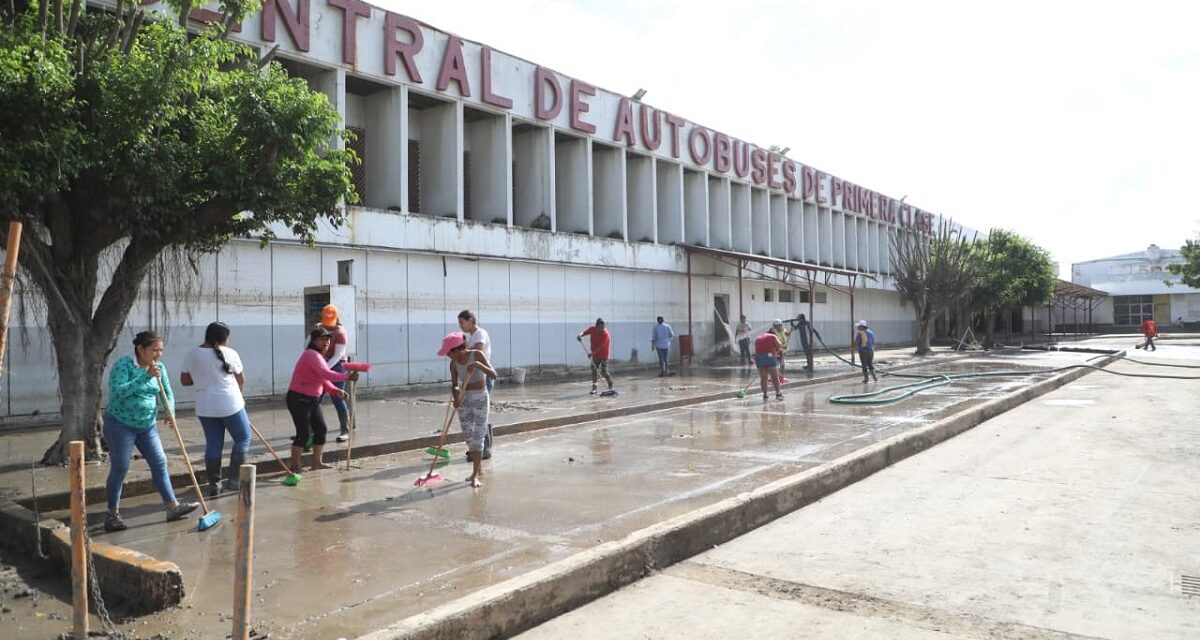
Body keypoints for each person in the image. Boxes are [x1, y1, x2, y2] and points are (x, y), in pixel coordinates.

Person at [102, 331, 199, 532]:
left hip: (147, 425)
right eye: (154, 350)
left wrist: (170, 411)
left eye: (161, 350)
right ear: (141, 349)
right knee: (120, 467)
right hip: (120, 424)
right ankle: (112, 514)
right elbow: (117, 392)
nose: (158, 354)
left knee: (160, 461)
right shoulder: (124, 365)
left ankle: (172, 506)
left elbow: (167, 394)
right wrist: (145, 377)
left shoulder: (160, 368)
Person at [180, 322, 251, 498]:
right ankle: (233, 481)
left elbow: (185, 381)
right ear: (224, 338)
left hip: (205, 406)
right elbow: (241, 380)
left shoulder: (192, 354)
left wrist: (202, 379)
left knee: (213, 444)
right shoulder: (231, 353)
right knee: (243, 439)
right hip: (231, 404)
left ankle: (214, 484)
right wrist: (237, 398)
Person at [287, 327, 355, 472]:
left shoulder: (320, 356)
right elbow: (326, 373)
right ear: (313, 341)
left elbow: (322, 379)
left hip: (313, 399)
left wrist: (335, 390)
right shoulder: (311, 355)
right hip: (299, 398)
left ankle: (317, 462)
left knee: (320, 429)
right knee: (303, 434)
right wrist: (347, 376)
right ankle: (294, 466)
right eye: (322, 339)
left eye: (328, 339)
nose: (326, 342)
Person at [438, 331, 497, 488]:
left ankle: (475, 475)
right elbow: (454, 385)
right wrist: (456, 397)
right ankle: (479, 469)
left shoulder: (477, 355)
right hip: (464, 400)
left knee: (478, 436)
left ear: (457, 350)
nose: (447, 356)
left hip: (480, 398)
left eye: (448, 352)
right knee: (469, 436)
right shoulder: (453, 364)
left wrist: (478, 365)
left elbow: (494, 374)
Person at [458, 310, 495, 458]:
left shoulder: (480, 334)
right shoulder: (472, 336)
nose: (461, 326)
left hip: (482, 377)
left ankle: (483, 449)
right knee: (479, 414)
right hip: (474, 377)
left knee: (480, 414)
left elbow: (477, 353)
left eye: (462, 322)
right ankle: (479, 448)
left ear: (470, 320)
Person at [318, 305, 353, 443]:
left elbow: (337, 355)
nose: (327, 325)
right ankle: (310, 431)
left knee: (337, 397)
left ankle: (345, 430)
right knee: (316, 397)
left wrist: (324, 370)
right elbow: (307, 345)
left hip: (337, 364)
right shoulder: (319, 328)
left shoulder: (340, 333)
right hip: (323, 362)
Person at [578, 318, 614, 394]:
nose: (601, 329)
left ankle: (610, 385)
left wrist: (592, 354)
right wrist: (580, 335)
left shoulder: (605, 334)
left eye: (603, 327)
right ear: (596, 326)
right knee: (594, 370)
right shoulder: (592, 329)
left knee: (604, 371)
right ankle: (594, 388)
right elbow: (584, 332)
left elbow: (601, 347)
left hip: (604, 355)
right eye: (600, 327)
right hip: (595, 355)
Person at [753, 330, 784, 401]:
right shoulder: (773, 336)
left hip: (759, 357)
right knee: (775, 377)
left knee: (764, 378)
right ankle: (778, 393)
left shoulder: (758, 337)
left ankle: (765, 395)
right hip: (769, 356)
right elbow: (779, 345)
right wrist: (781, 346)